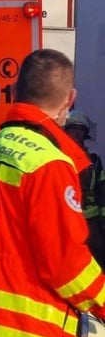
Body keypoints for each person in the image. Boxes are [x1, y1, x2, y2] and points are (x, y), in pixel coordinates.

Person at [0, 49, 105, 337]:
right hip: (25, 330)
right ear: (69, 99)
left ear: (14, 91)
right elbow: (65, 264)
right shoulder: (48, 164)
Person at [64, 111, 105, 266]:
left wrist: (102, 220)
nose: (76, 132)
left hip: (90, 218)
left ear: (86, 133)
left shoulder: (93, 160)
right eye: (72, 128)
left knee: (98, 253)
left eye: (80, 129)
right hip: (67, 217)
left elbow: (102, 190)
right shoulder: (56, 156)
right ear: (65, 131)